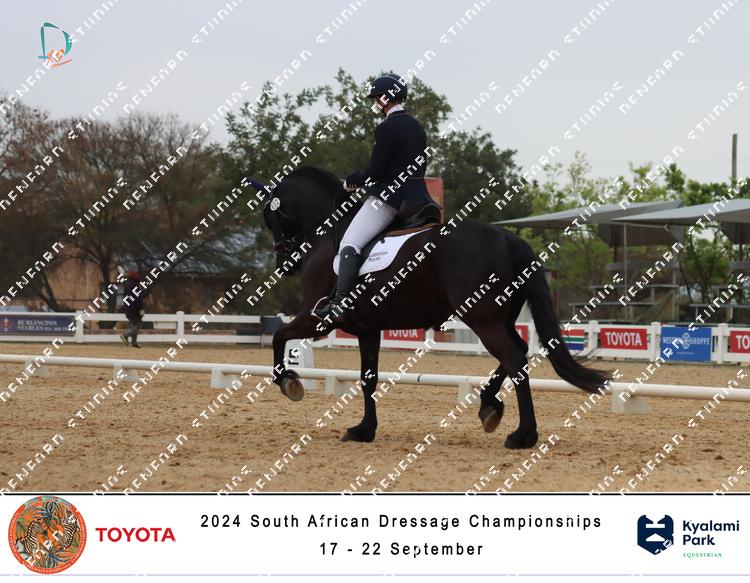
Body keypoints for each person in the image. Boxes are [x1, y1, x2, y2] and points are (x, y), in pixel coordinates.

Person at [312, 73, 435, 323]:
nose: (376, 104)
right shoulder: (417, 126)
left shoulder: (386, 127)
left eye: (377, 99)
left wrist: (351, 180)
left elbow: (375, 172)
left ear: (385, 98)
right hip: (420, 199)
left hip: (390, 199)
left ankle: (339, 304)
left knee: (350, 244)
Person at [120, 271, 145, 348]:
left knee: (134, 325)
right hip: (135, 310)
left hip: (128, 309)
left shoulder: (127, 286)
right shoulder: (136, 287)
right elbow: (138, 300)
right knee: (138, 325)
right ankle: (125, 335)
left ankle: (134, 343)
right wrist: (141, 310)